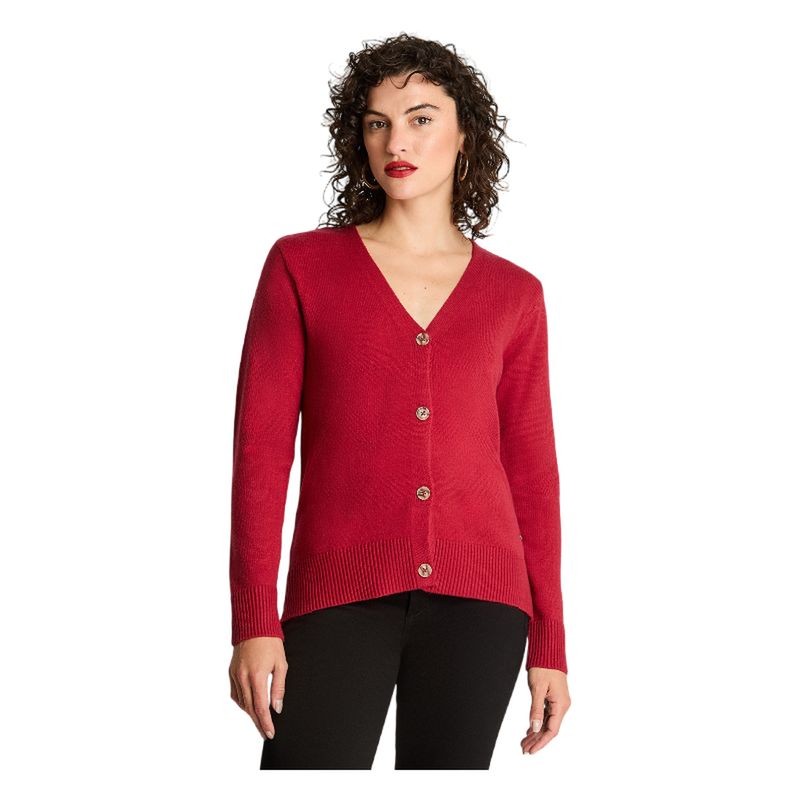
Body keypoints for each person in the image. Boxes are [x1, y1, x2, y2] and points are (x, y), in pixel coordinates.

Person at [227, 33, 571, 770]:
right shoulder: (302, 267)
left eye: (420, 118)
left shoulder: (515, 294)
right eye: (378, 122)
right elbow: (260, 453)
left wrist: (551, 643)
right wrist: (254, 619)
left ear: (464, 136)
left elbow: (532, 475)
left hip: (484, 606)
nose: (397, 141)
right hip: (336, 593)